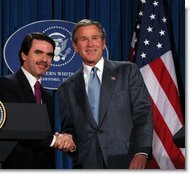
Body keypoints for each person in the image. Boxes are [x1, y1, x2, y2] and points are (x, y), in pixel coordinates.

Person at [57, 19, 153, 169]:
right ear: (75, 46)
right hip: (87, 163)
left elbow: (142, 114)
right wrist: (68, 141)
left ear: (103, 43)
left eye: (95, 38)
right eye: (83, 39)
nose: (90, 44)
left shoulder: (128, 71)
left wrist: (141, 152)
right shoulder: (66, 87)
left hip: (126, 160)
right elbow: (69, 129)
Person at [0, 33, 75, 169]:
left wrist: (65, 140)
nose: (44, 59)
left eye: (49, 55)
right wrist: (55, 140)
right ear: (24, 55)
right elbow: (20, 126)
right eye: (38, 53)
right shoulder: (6, 85)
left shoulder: (47, 96)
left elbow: (42, 132)